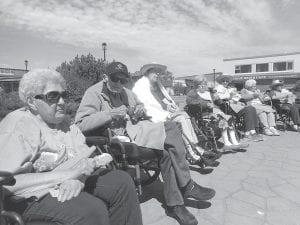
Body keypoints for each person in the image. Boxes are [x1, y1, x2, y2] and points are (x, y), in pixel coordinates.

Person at [75, 61, 216, 225]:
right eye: (115, 79)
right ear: (105, 77)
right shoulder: (93, 93)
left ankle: (178, 200)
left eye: (123, 80)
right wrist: (110, 114)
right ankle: (182, 192)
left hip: (135, 130)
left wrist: (140, 108)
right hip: (116, 139)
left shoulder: (126, 92)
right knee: (168, 141)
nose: (120, 84)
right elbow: (80, 124)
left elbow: (139, 104)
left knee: (169, 137)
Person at [0, 69, 143, 225]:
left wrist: (79, 178)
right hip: (28, 196)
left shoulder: (65, 124)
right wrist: (66, 176)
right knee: (92, 211)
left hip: (68, 178)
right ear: (31, 101)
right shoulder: (19, 126)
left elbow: (85, 159)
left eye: (63, 95)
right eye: (53, 96)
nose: (62, 101)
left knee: (122, 181)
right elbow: (9, 185)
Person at [132, 63, 221, 166]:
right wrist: (165, 109)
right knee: (182, 118)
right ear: (147, 72)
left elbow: (164, 100)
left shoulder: (157, 86)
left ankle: (195, 150)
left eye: (158, 72)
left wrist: (170, 105)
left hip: (163, 113)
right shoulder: (140, 87)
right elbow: (146, 106)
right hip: (152, 117)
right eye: (154, 72)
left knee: (184, 115)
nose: (157, 74)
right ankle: (194, 152)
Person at [186, 76, 249, 150]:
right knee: (223, 120)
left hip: (215, 112)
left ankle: (235, 142)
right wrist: (205, 104)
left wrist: (215, 95)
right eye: (202, 83)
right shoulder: (192, 93)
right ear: (197, 84)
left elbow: (219, 102)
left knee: (229, 119)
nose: (204, 85)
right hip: (203, 115)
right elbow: (191, 103)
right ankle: (227, 143)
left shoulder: (208, 92)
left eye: (205, 83)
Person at [214, 75, 264, 141]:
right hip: (226, 106)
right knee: (249, 109)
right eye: (224, 81)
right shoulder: (218, 88)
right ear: (221, 82)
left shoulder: (228, 89)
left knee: (251, 108)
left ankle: (252, 131)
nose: (225, 82)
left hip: (233, 104)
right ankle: (248, 133)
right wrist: (231, 96)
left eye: (227, 81)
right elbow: (219, 98)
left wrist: (236, 97)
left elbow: (237, 97)